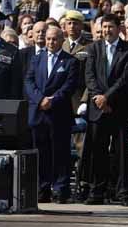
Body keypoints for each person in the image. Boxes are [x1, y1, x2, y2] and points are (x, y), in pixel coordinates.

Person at [83, 13, 128, 205]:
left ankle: (124, 193)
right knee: (98, 152)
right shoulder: (93, 48)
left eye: (110, 27)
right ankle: (97, 192)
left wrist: (107, 98)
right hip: (98, 108)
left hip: (119, 108)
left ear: (118, 28)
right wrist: (98, 97)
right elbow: (89, 76)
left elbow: (126, 78)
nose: (107, 30)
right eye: (104, 27)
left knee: (122, 154)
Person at [25, 22, 79, 203]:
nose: (50, 42)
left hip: (59, 114)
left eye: (54, 39)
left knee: (60, 154)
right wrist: (40, 99)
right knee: (41, 154)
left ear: (62, 40)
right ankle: (43, 188)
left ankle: (60, 189)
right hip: (39, 113)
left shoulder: (70, 61)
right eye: (48, 39)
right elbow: (29, 82)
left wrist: (52, 100)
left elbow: (69, 86)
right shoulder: (36, 59)